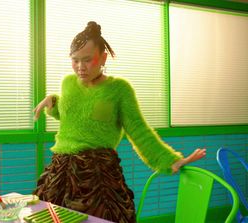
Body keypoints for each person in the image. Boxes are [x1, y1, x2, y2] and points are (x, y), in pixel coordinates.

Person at [32, 21, 206, 223]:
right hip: (60, 171)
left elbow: (138, 129)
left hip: (97, 174)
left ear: (103, 57)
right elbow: (72, 115)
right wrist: (53, 101)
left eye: (87, 60)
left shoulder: (119, 89)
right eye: (75, 60)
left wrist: (171, 160)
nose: (80, 67)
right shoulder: (68, 83)